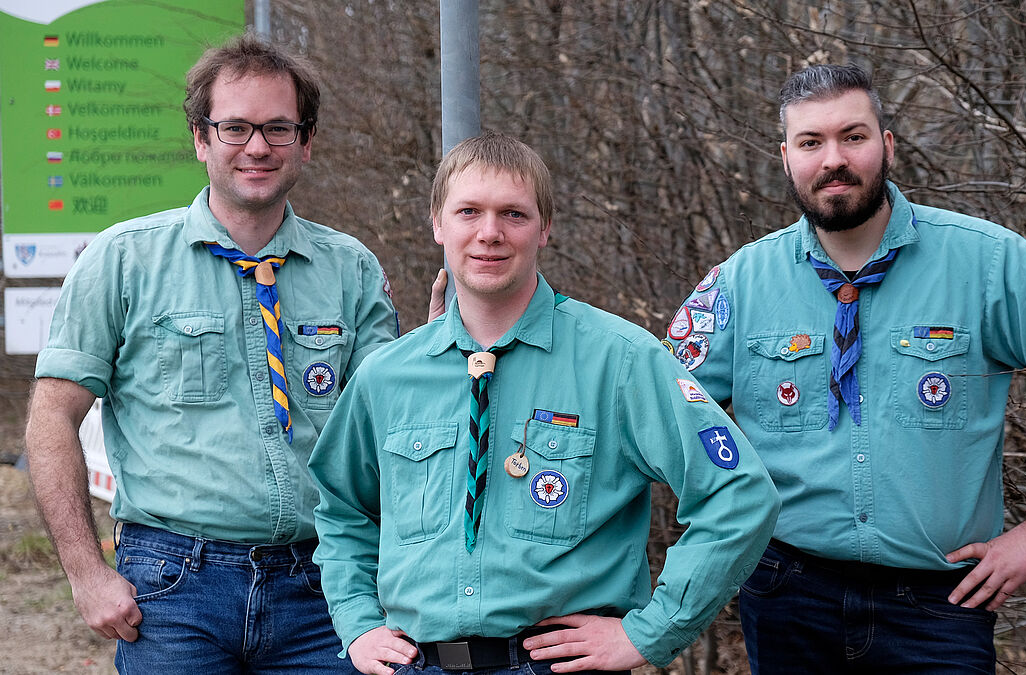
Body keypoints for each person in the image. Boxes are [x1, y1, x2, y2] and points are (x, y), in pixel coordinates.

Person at [666, 64, 1026, 673]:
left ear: (886, 145)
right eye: (811, 143)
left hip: (940, 606)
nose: (833, 159)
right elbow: (662, 410)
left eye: (853, 136)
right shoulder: (741, 282)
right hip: (786, 597)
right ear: (786, 158)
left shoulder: (988, 262)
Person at [308, 131, 780, 675]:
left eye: (513, 214)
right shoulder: (386, 377)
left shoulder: (619, 361)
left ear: (545, 228)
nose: (489, 233)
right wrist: (358, 622)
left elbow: (739, 494)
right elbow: (342, 510)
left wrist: (652, 631)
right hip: (417, 664)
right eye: (468, 212)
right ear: (437, 222)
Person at [25, 33, 398, 674]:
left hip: (327, 592)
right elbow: (51, 418)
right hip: (173, 591)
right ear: (201, 138)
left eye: (280, 128)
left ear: (306, 142)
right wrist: (87, 574)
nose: (258, 147)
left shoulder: (351, 270)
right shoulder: (122, 261)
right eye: (235, 128)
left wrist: (442, 355)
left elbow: (390, 429)